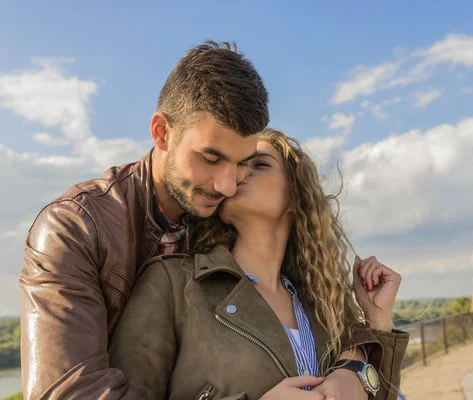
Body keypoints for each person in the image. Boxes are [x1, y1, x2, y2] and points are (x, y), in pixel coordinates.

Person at [19, 42, 380, 399]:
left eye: (243, 162)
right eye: (210, 157)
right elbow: (67, 392)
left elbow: (330, 307)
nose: (228, 184)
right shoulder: (74, 227)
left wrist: (356, 366)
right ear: (162, 132)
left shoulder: (223, 224)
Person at [109, 129, 409, 399]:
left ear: (296, 197)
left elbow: (381, 395)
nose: (238, 174)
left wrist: (378, 319)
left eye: (259, 164)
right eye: (238, 165)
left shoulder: (322, 302)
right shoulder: (172, 283)